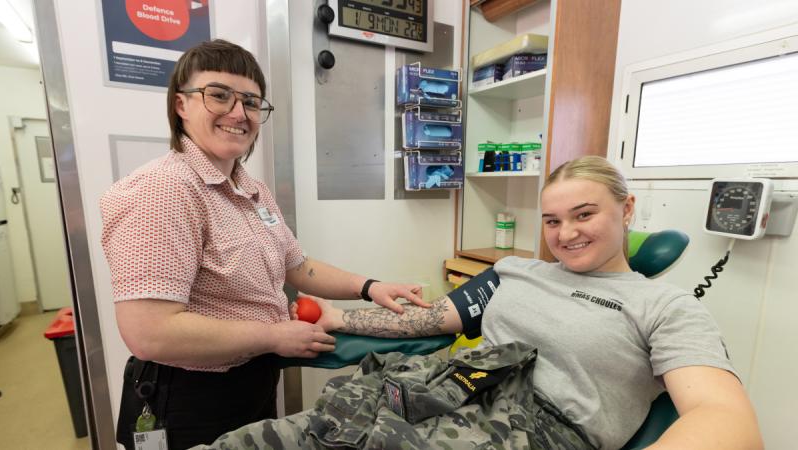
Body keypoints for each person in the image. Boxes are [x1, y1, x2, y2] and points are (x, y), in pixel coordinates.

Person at [195, 155, 763, 450]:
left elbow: (726, 422)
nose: (566, 234)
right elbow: (434, 317)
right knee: (271, 438)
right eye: (553, 220)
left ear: (627, 209)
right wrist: (332, 315)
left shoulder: (663, 307)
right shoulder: (516, 269)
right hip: (440, 389)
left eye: (584, 214)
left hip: (537, 430)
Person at [100, 39, 430, 450]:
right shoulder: (163, 190)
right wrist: (274, 336)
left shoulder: (250, 189)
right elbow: (150, 332)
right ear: (181, 105)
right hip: (189, 397)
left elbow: (298, 266)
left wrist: (371, 287)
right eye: (219, 96)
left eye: (252, 103)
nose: (238, 114)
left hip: (252, 380)